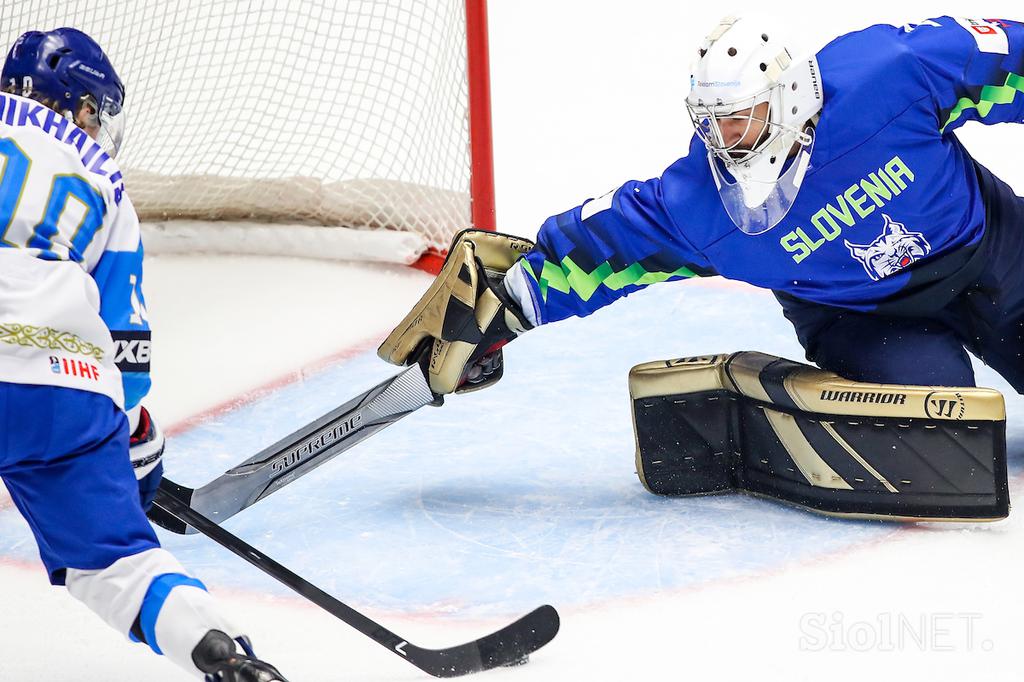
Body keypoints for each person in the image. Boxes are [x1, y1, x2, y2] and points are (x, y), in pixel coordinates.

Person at [377, 16, 1024, 517]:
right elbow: (604, 249)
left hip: (996, 253)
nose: (726, 141)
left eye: (741, 119)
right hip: (860, 315)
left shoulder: (890, 72)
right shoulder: (703, 209)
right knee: (944, 437)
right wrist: (501, 307)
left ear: (792, 95)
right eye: (714, 124)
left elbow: (1009, 59)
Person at [0, 28, 287, 681]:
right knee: (120, 565)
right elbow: (127, 362)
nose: (98, 127)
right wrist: (134, 448)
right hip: (63, 393)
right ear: (74, 105)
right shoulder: (103, 182)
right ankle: (227, 657)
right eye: (95, 111)